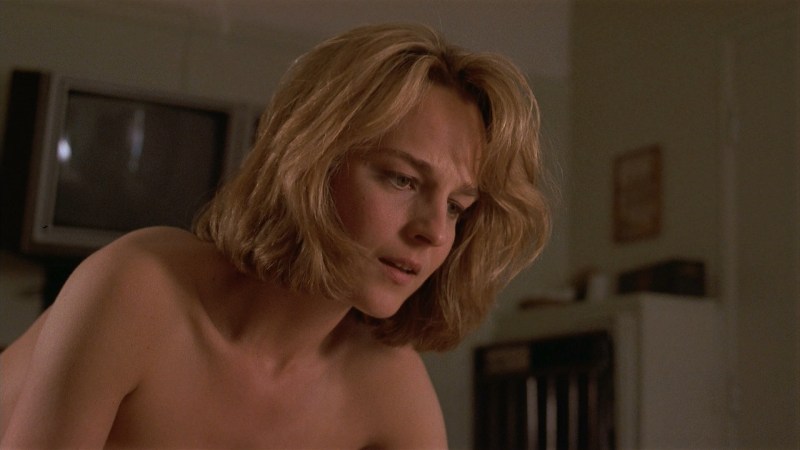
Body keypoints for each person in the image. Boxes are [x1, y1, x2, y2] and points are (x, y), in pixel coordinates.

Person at [0, 23, 550, 448]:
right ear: (310, 163)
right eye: (402, 180)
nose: (432, 232)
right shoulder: (138, 289)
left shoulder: (387, 389)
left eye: (456, 207)